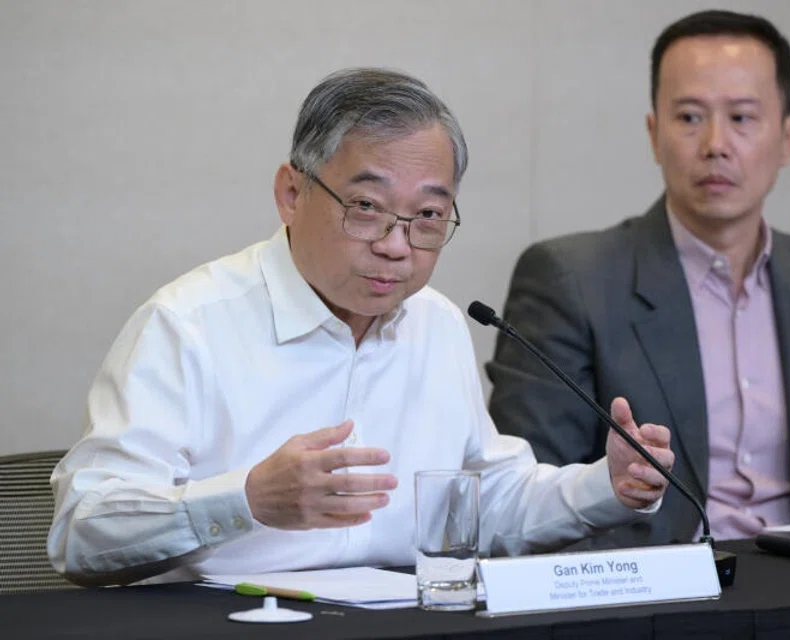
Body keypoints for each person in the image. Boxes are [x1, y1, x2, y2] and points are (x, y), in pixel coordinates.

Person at [47, 68, 675, 586]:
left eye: (428, 216)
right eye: (367, 208)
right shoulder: (187, 325)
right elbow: (82, 532)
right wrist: (246, 501)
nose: (398, 246)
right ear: (291, 193)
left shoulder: (437, 324)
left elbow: (483, 505)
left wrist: (608, 485)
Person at [487, 10, 790, 548]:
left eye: (743, 118)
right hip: (651, 602)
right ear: (654, 134)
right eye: (690, 117)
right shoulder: (570, 281)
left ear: (788, 138)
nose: (716, 144)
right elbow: (525, 504)